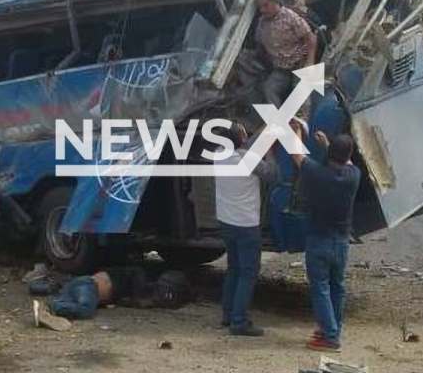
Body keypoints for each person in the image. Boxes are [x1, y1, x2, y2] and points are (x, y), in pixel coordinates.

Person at [290, 122, 361, 353]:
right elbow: (345, 160)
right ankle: (332, 329)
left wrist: (298, 128)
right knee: (336, 287)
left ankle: (330, 338)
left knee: (320, 288)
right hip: (341, 242)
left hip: (319, 240)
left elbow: (297, 154)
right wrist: (329, 145)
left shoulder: (316, 173)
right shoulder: (354, 175)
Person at [215, 123, 276, 336]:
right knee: (248, 273)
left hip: (226, 221)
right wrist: (269, 151)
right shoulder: (249, 160)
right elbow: (272, 174)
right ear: (241, 139)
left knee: (233, 268)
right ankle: (239, 322)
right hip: (246, 225)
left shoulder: (219, 154)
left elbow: (243, 146)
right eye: (244, 133)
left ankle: (228, 314)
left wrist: (263, 131)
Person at [50, 267, 193, 319]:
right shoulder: (138, 275)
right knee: (85, 310)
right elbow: (137, 272)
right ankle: (55, 306)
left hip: (80, 286)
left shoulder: (126, 291)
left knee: (69, 301)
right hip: (88, 285)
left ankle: (54, 304)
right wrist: (139, 298)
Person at [255, 0, 317, 108]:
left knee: (301, 96)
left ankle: (302, 124)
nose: (262, 10)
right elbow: (258, 43)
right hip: (281, 69)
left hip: (299, 64)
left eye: (265, 5)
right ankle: (278, 122)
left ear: (274, 1)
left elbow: (310, 38)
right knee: (269, 89)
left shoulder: (290, 17)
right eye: (260, 8)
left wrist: (310, 63)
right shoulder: (262, 23)